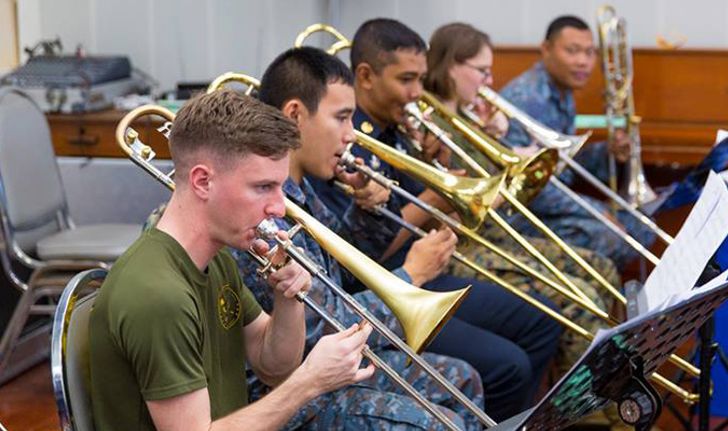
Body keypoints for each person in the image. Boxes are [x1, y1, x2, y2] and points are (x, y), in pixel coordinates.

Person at [309, 18, 563, 421]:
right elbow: (356, 254)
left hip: (425, 269)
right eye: (406, 80)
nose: (416, 94)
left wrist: (436, 164)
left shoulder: (397, 128)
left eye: (421, 79)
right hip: (389, 283)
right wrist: (432, 198)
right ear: (366, 76)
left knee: (542, 323)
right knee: (506, 366)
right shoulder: (343, 140)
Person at [228, 46, 486, 430]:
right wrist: (410, 276)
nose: (350, 134)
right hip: (287, 384)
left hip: (330, 358)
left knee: (462, 379)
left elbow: (344, 270)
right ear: (296, 114)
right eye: (342, 117)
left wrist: (367, 213)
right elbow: (321, 328)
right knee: (440, 421)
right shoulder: (265, 209)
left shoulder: (301, 188)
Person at [88, 90, 377, 431]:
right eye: (263, 187)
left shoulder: (218, 259)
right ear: (203, 181)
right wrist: (310, 381)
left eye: (280, 187)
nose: (279, 208)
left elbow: (274, 367)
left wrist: (288, 301)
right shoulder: (158, 295)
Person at [424, 21, 620, 377]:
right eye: (482, 71)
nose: (489, 82)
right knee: (584, 299)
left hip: (492, 234)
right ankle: (586, 411)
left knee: (604, 271)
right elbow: (473, 199)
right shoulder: (428, 124)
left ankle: (607, 387)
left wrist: (495, 140)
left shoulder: (469, 116)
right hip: (462, 247)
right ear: (452, 66)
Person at [500, 15, 656, 270]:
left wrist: (608, 153)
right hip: (524, 218)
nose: (583, 61)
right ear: (546, 49)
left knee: (643, 226)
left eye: (589, 52)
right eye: (572, 51)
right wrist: (595, 210)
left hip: (554, 208)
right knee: (616, 237)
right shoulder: (525, 99)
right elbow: (528, 185)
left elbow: (563, 164)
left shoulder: (562, 91)